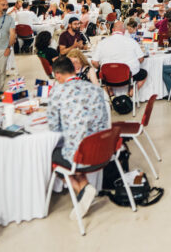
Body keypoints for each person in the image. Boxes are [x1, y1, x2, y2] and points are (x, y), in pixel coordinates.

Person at [47, 57, 109, 219]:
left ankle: (81, 188)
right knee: (75, 146)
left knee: (52, 154)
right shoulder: (95, 89)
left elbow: (53, 127)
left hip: (79, 156)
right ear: (74, 70)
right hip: (102, 150)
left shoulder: (57, 92)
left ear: (58, 75)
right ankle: (84, 187)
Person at [91, 20, 147, 91]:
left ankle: (109, 91)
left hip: (107, 78)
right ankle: (132, 92)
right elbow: (141, 59)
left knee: (97, 74)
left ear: (112, 30)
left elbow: (94, 62)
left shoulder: (102, 43)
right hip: (128, 77)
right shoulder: (132, 42)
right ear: (124, 31)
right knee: (143, 73)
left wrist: (101, 67)